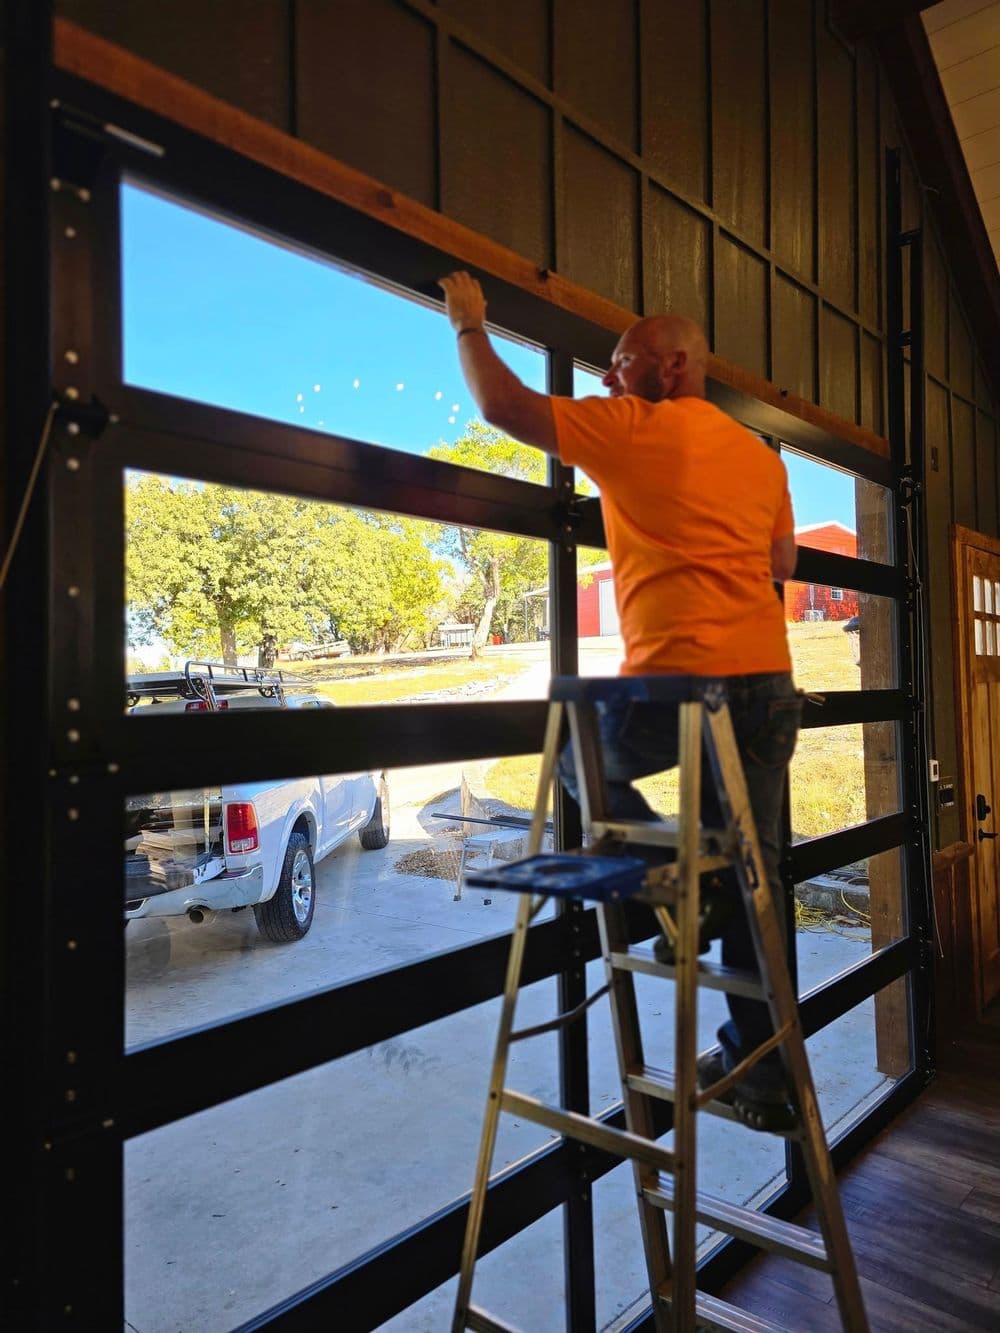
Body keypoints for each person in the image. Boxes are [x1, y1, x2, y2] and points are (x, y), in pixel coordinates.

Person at [439, 270, 801, 1127]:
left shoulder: (636, 427)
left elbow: (503, 409)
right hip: (766, 684)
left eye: (619, 361)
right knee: (754, 869)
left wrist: (467, 325)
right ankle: (765, 1069)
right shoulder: (758, 456)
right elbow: (781, 564)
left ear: (669, 367)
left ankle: (669, 886)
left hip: (682, 684)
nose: (608, 377)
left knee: (573, 751)